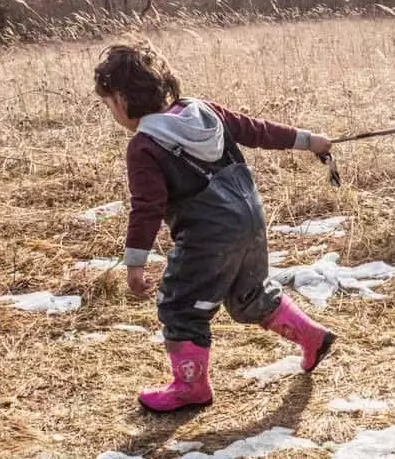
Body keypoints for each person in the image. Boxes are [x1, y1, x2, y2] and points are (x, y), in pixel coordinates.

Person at [94, 40, 338, 411]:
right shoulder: (205, 111)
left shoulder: (144, 145)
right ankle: (311, 336)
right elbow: (259, 130)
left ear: (124, 101)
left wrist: (135, 262)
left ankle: (190, 387)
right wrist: (310, 140)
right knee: (250, 296)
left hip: (207, 237)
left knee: (179, 306)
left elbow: (147, 208)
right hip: (249, 218)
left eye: (109, 103)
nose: (111, 111)